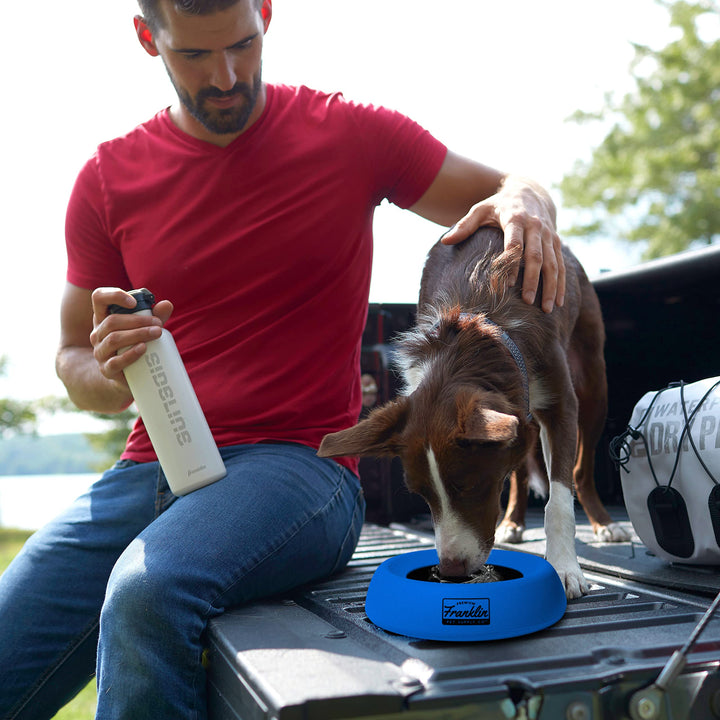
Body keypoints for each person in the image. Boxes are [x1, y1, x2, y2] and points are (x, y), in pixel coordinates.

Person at [0, 0, 565, 718]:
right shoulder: (107, 179)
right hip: (149, 469)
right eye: (195, 57)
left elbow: (510, 186)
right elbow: (74, 362)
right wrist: (108, 370)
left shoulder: (351, 133)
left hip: (301, 470)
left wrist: (526, 202)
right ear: (149, 39)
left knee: (147, 591)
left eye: (243, 44)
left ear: (265, 13)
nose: (228, 76)